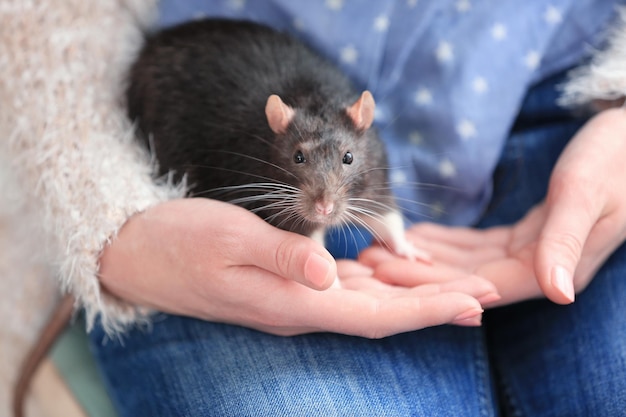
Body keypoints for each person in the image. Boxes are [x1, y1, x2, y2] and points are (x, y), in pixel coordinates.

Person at [2, 0, 626, 416]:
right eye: (304, 169)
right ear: (280, 138)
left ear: (363, 128)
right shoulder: (266, 163)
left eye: (342, 172)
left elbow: (374, 201)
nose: (325, 197)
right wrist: (110, 217)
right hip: (153, 146)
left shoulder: (365, 159)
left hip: (580, 103)